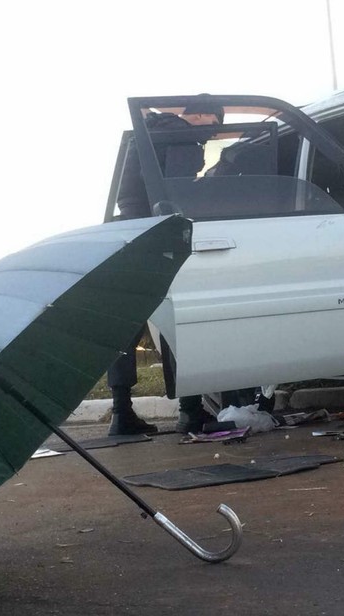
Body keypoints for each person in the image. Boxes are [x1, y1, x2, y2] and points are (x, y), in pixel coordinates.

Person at [107, 97, 223, 436]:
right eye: (213, 124)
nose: (212, 135)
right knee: (177, 319)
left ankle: (121, 413)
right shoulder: (183, 135)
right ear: (200, 115)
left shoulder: (146, 131)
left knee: (125, 327)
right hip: (159, 237)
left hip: (127, 232)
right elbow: (177, 191)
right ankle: (189, 410)